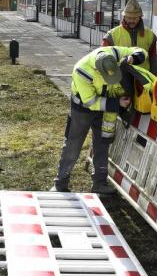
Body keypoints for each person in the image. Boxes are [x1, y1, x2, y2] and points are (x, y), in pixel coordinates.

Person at [52, 46, 147, 195]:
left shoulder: (113, 53)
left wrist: (134, 57)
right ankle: (60, 183)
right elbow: (91, 102)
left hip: (106, 107)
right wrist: (117, 103)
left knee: (102, 143)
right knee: (73, 144)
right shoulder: (81, 71)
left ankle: (99, 183)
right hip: (82, 110)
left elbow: (139, 50)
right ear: (97, 70)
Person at [102, 0, 157, 76]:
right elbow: (103, 57)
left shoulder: (150, 35)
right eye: (129, 18)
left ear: (140, 17)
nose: (132, 21)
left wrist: (156, 77)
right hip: (121, 80)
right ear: (124, 17)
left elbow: (153, 58)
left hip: (143, 80)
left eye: (135, 18)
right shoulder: (112, 35)